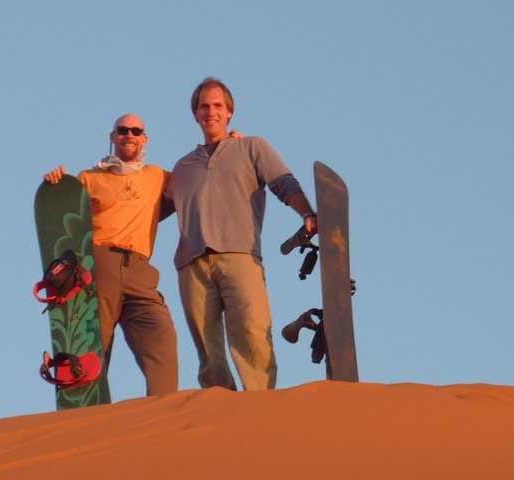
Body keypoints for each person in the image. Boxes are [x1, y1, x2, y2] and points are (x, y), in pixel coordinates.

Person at [164, 77, 318, 391]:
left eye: (217, 106)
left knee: (252, 334)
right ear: (195, 114)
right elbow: (148, 211)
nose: (211, 112)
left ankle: (260, 410)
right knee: (208, 350)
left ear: (230, 112)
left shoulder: (250, 147)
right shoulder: (181, 167)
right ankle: (219, 414)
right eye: (204, 106)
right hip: (192, 265)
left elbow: (283, 182)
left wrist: (307, 213)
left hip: (240, 256)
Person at [44, 114, 178, 396]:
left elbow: (198, 177)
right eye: (123, 130)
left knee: (160, 331)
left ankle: (163, 411)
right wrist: (57, 184)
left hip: (141, 269)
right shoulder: (90, 178)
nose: (129, 135)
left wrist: (229, 145)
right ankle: (86, 410)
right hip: (99, 265)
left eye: (136, 131)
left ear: (145, 139)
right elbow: (65, 215)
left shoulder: (157, 176)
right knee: (93, 343)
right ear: (113, 136)